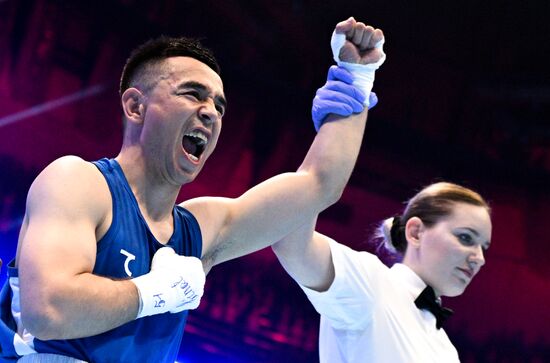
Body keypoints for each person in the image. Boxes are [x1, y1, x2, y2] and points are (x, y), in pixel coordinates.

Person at [0, 17, 385, 362]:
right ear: (136, 107)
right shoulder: (78, 182)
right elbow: (48, 311)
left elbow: (318, 186)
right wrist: (155, 292)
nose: (210, 112)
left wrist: (355, 77)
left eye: (219, 105)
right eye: (192, 94)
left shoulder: (202, 229)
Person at [272, 182, 492, 362]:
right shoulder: (372, 283)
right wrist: (321, 175)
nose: (479, 259)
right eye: (466, 238)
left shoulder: (446, 349)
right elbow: (292, 243)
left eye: (484, 247)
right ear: (415, 232)